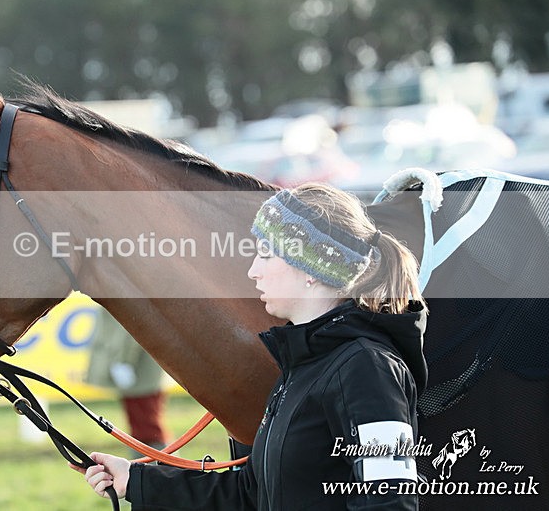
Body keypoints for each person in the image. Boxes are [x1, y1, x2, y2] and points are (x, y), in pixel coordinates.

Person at [71, 184, 428, 510]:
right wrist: (135, 480)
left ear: (312, 268)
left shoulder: (367, 367)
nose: (253, 270)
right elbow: (253, 493)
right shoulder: (302, 365)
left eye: (266, 255)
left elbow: (391, 500)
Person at [85, 307, 170, 451]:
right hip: (135, 367)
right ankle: (152, 465)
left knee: (148, 427)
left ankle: (162, 466)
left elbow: (132, 327)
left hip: (139, 368)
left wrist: (124, 361)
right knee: (141, 426)